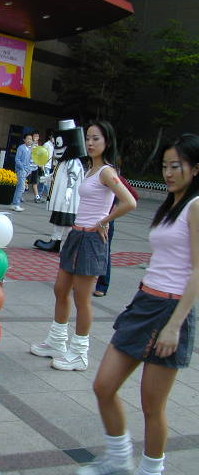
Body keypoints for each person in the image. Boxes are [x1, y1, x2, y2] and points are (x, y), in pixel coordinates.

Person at [76, 134, 198, 475]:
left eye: (176, 166)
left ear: (195, 168)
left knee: (152, 406)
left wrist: (174, 326)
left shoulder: (195, 206)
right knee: (104, 386)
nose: (168, 173)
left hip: (171, 310)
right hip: (145, 302)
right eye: (165, 166)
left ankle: (150, 470)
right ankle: (119, 459)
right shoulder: (172, 204)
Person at [30, 121, 137, 371]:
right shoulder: (90, 169)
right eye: (88, 138)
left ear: (107, 142)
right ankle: (57, 341)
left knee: (82, 298)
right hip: (76, 234)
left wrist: (104, 221)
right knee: (60, 289)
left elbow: (129, 202)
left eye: (96, 138)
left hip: (91, 239)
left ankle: (79, 353)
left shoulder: (107, 172)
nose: (90, 143)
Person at [34, 132, 86, 253]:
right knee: (61, 221)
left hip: (67, 201)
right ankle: (56, 241)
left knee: (66, 222)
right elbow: (57, 174)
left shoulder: (73, 161)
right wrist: (47, 178)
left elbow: (73, 177)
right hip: (62, 200)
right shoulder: (64, 161)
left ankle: (67, 244)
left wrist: (69, 190)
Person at [11, 133, 33, 212]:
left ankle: (15, 204)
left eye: (31, 139)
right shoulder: (21, 148)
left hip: (25, 171)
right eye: (28, 139)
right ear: (24, 140)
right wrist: (23, 169)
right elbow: (17, 159)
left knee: (20, 187)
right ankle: (16, 204)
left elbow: (29, 161)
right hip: (21, 170)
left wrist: (29, 170)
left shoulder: (29, 149)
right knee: (21, 188)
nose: (29, 140)